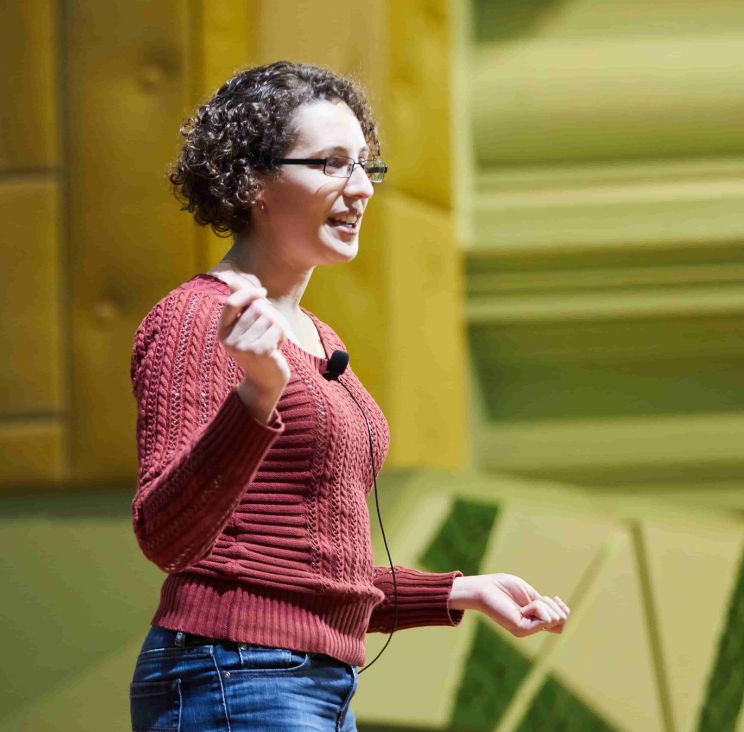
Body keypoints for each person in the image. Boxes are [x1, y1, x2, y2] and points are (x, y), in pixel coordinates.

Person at [127, 61, 570, 731]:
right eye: (332, 164)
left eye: (366, 166)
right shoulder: (195, 320)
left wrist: (459, 591)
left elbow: (310, 573)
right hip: (235, 674)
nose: (361, 188)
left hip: (314, 684)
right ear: (253, 181)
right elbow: (165, 534)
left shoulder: (316, 335)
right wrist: (257, 395)